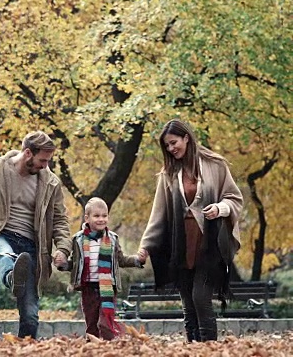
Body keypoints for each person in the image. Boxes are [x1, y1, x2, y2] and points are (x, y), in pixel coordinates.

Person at [0, 131, 72, 339]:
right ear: (27, 153)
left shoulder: (51, 183)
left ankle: (24, 349)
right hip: (1, 234)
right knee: (3, 253)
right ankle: (11, 276)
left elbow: (61, 220)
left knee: (30, 316)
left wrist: (63, 248)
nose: (45, 166)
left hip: (31, 248)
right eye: (42, 160)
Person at [137, 119, 243, 342]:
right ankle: (192, 346)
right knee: (187, 302)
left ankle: (208, 348)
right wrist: (145, 246)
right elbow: (158, 215)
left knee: (200, 298)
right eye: (167, 146)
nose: (171, 148)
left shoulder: (215, 165)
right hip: (181, 243)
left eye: (174, 142)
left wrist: (220, 208)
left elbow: (234, 198)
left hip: (208, 243)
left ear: (186, 137)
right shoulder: (168, 174)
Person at [56, 197, 143, 340]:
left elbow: (120, 260)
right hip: (88, 288)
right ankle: (92, 349)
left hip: (107, 287)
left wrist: (136, 260)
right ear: (87, 218)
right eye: (96, 216)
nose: (101, 219)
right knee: (91, 323)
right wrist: (63, 264)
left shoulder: (112, 239)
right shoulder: (78, 239)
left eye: (104, 216)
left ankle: (108, 348)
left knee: (105, 322)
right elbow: (75, 263)